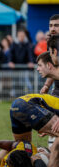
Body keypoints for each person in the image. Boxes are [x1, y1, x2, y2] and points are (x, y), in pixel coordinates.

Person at [10, 40, 59, 167]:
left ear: (49, 65)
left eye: (39, 65)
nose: (37, 69)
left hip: (16, 106)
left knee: (23, 149)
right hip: (27, 106)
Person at [39, 14, 59, 149]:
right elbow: (53, 67)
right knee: (52, 123)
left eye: (56, 25)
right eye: (51, 25)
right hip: (57, 89)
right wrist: (47, 85)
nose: (53, 28)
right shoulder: (52, 43)